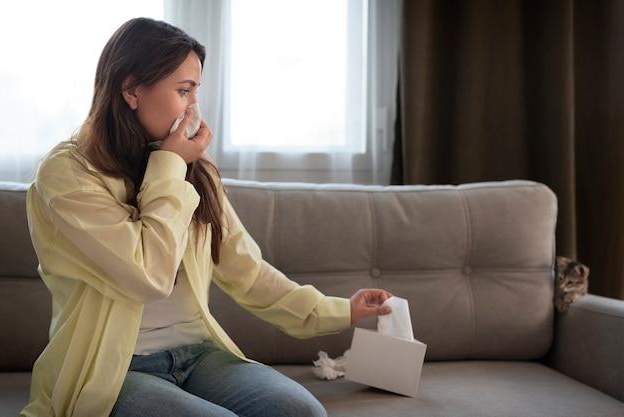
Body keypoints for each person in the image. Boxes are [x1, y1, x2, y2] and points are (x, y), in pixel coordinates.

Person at [21, 17, 392, 417]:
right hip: (111, 369)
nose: (194, 108)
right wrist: (169, 166)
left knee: (303, 412)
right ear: (130, 90)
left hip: (197, 353)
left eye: (195, 91)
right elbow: (148, 276)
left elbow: (245, 269)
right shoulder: (67, 174)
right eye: (183, 91)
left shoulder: (193, 168)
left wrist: (340, 310)